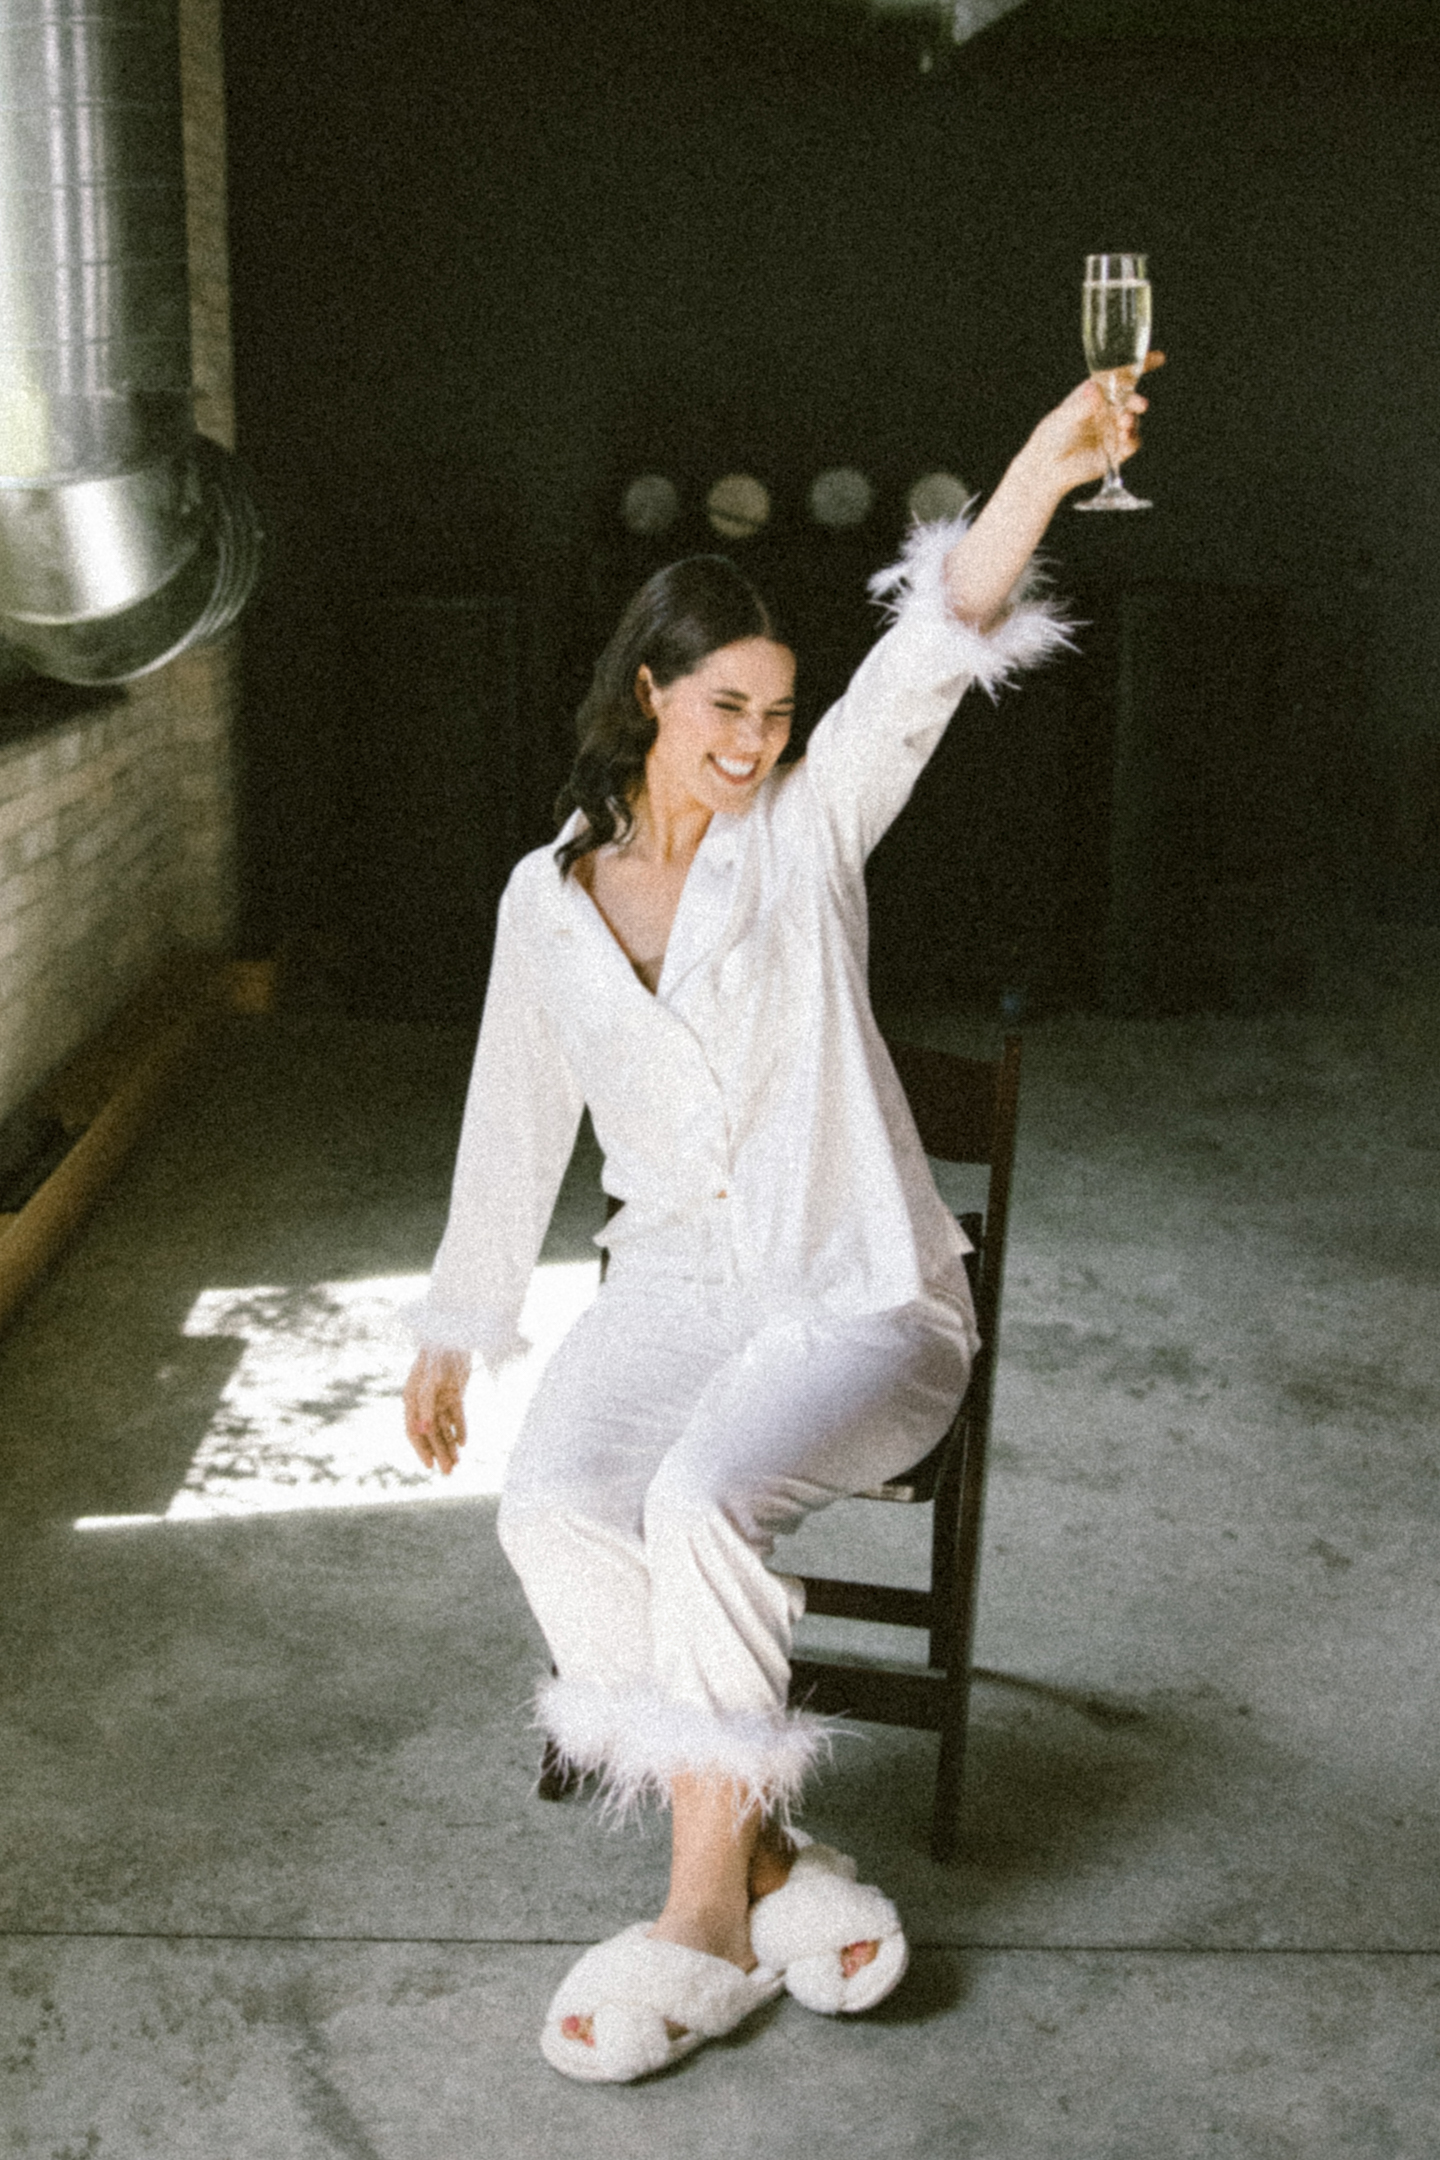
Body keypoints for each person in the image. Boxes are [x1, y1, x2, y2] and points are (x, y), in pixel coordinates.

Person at [403, 363, 1160, 2082]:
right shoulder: (546, 901)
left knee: (701, 1499)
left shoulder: (804, 838)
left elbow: (929, 656)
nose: (755, 743)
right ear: (649, 695)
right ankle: (765, 1858)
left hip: (858, 1299)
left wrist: (1046, 467)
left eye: (777, 712)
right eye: (725, 708)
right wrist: (457, 1322)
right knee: (553, 1508)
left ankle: (698, 1927)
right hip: (675, 1291)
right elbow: (512, 1120)